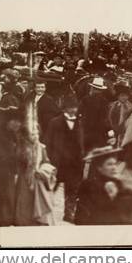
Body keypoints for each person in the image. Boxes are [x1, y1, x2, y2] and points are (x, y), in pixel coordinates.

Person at [45, 93, 85, 223]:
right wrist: (48, 159)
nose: (74, 110)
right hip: (58, 162)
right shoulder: (55, 122)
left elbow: (81, 141)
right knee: (51, 187)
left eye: (75, 107)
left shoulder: (79, 122)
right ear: (64, 108)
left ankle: (68, 213)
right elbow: (48, 142)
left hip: (74, 163)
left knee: (72, 189)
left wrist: (82, 156)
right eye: (71, 107)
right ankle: (45, 212)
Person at [75, 146, 122, 225]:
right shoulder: (89, 185)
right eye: (109, 164)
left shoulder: (118, 183)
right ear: (99, 167)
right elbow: (81, 215)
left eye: (115, 164)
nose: (114, 167)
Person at [78, 77, 114, 151]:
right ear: (101, 90)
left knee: (85, 151)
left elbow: (79, 113)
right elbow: (106, 118)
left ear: (92, 88)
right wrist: (109, 129)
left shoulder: (85, 99)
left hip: (86, 130)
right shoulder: (104, 101)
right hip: (99, 132)